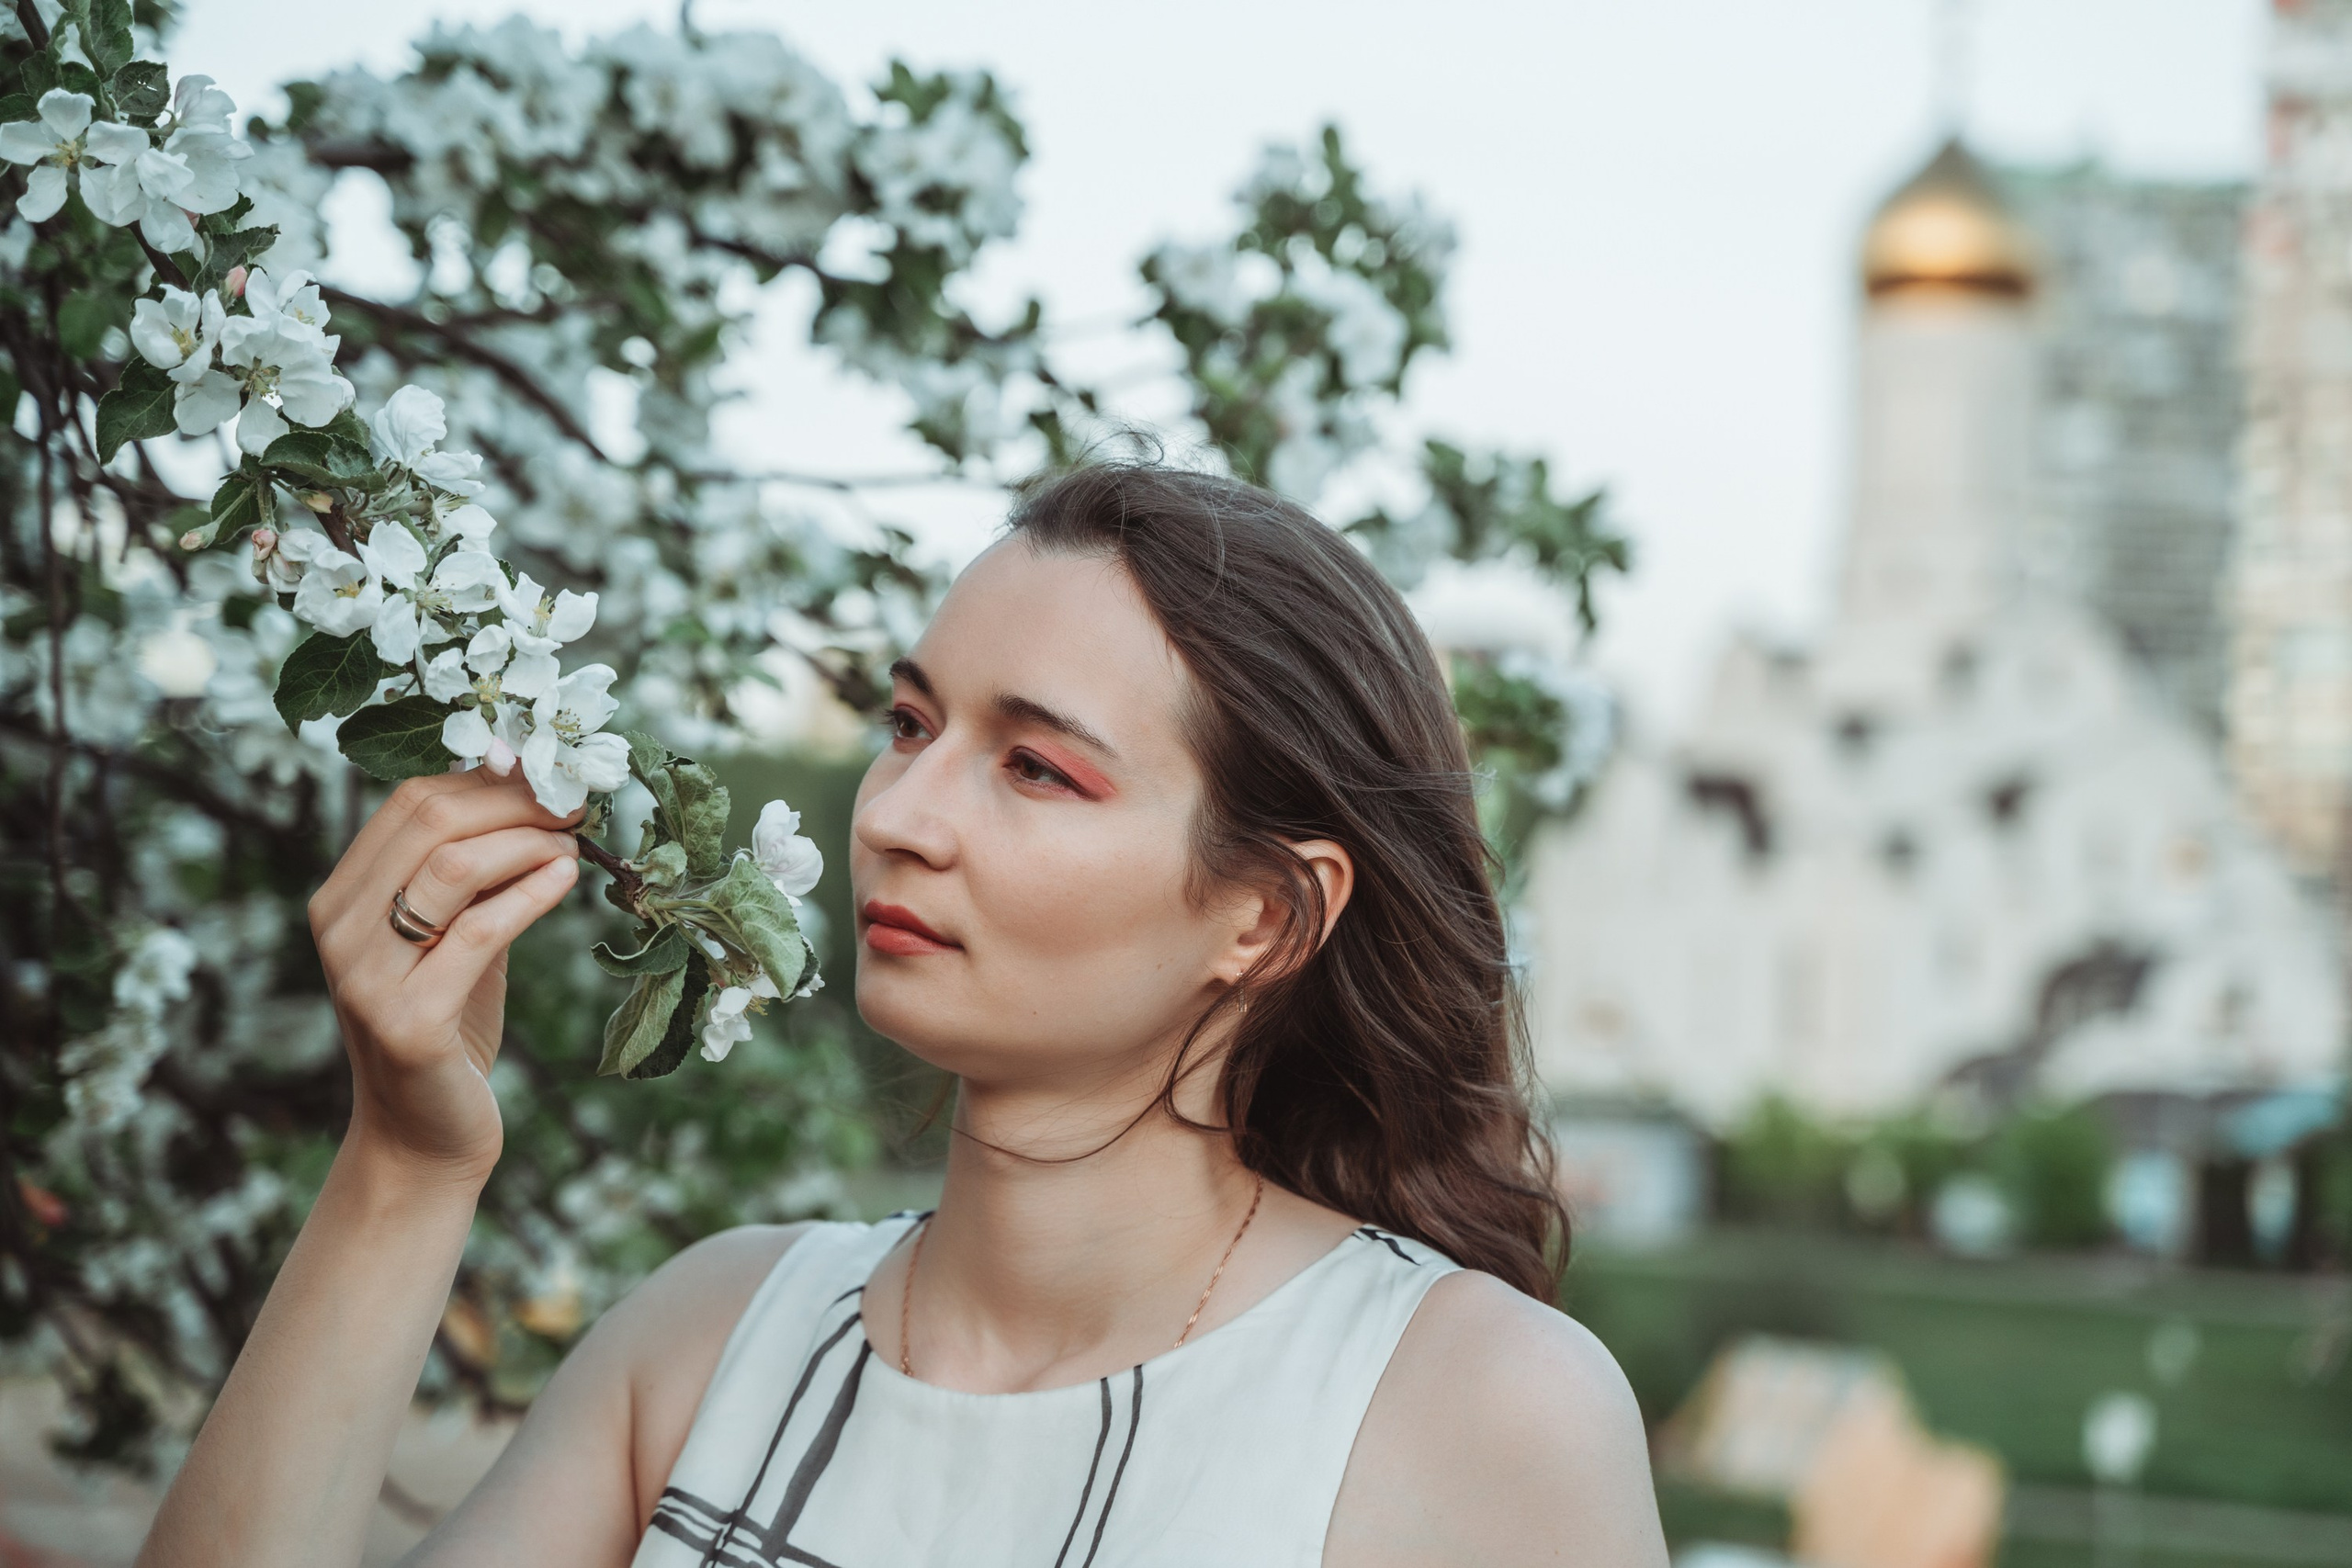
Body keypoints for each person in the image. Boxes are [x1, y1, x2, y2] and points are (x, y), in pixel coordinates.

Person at [137, 464, 1668, 1568]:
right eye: (911, 725)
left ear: (1263, 915)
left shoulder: (1470, 1408)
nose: (900, 814)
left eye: (1035, 768)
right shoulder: (713, 1339)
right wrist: (405, 1166)